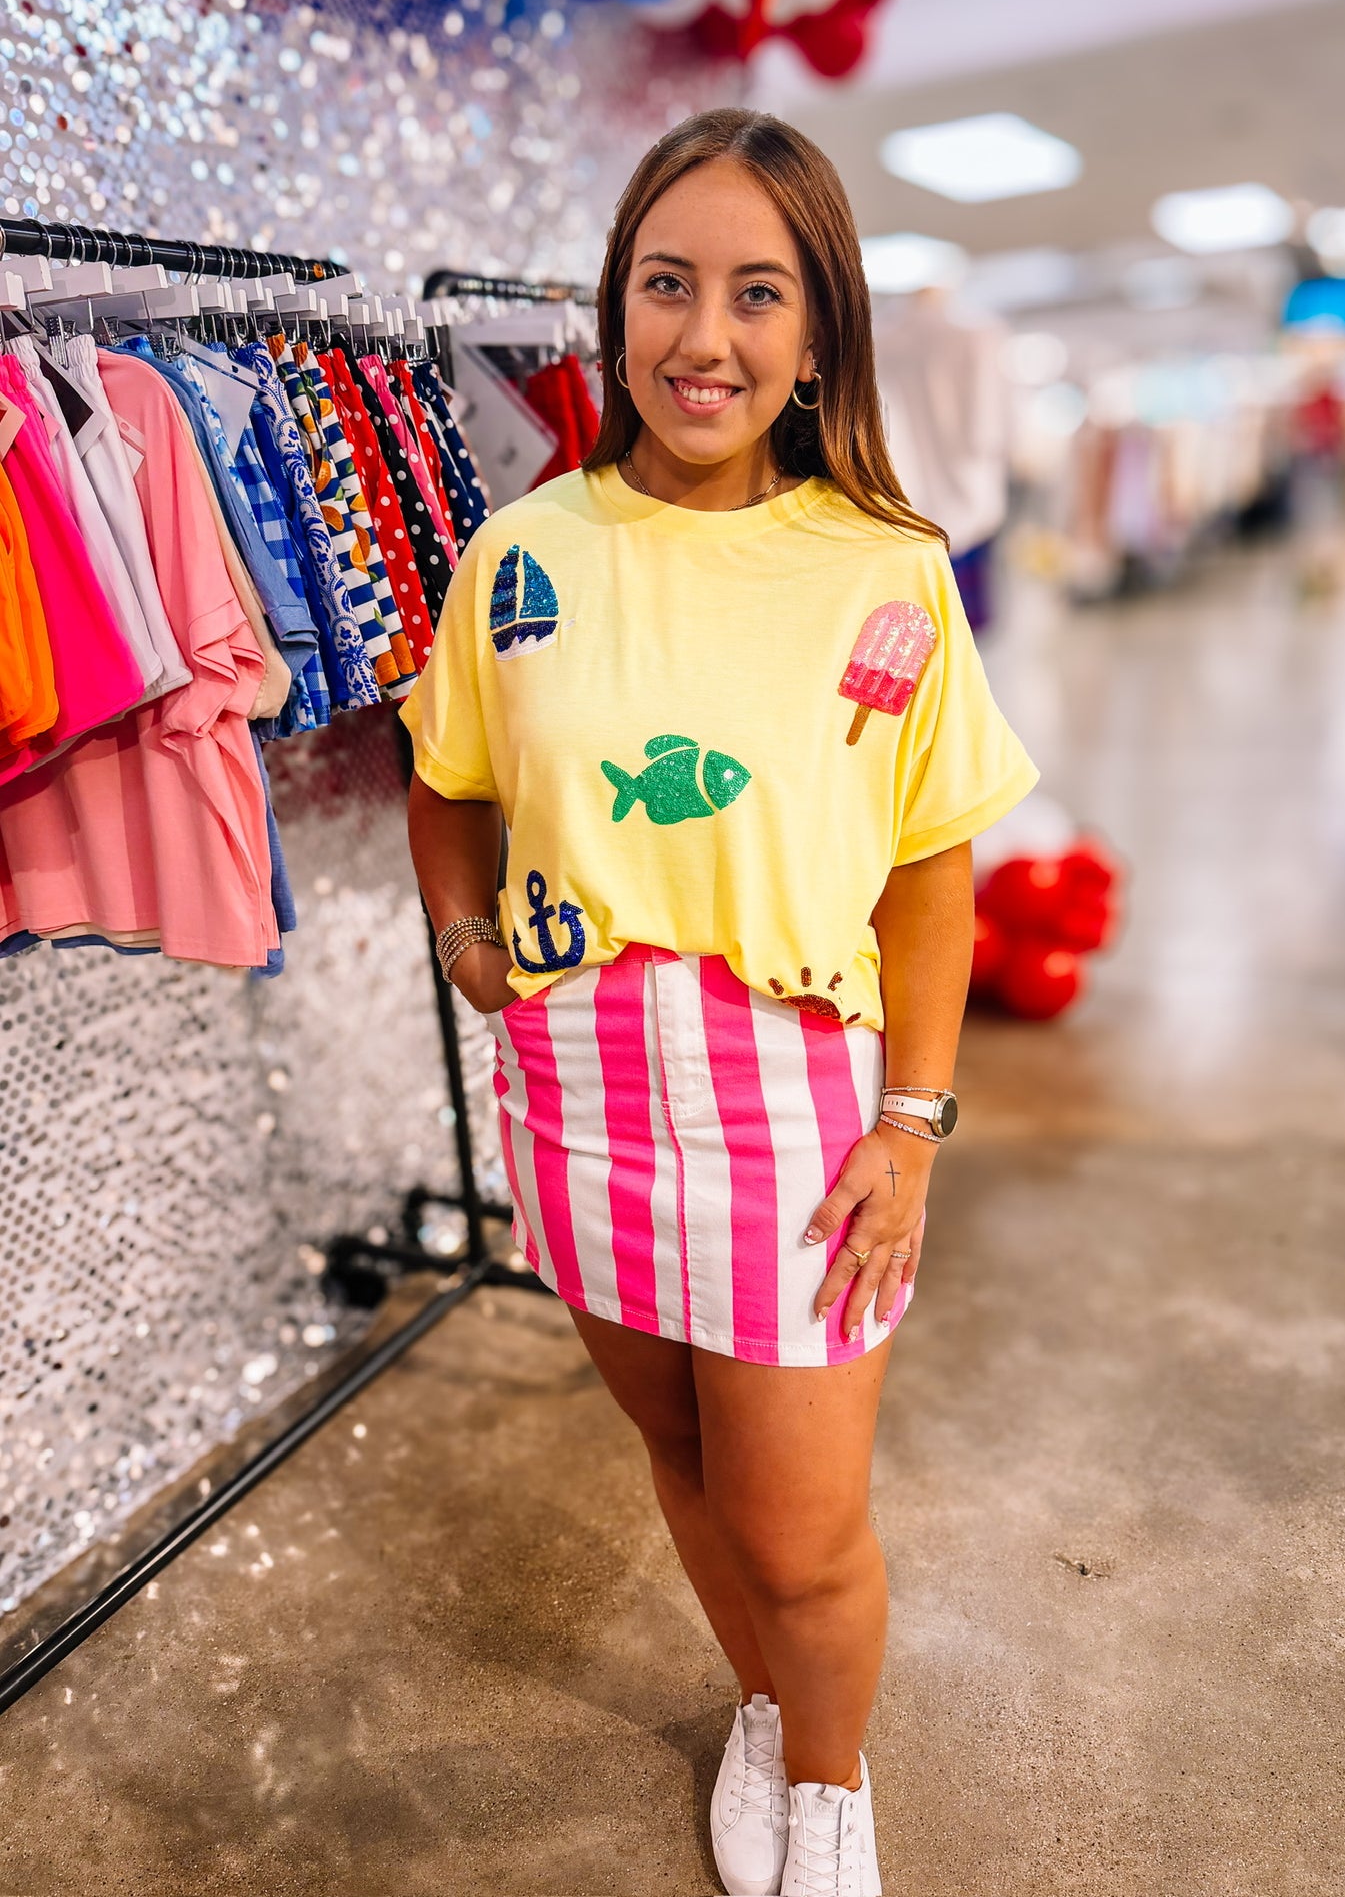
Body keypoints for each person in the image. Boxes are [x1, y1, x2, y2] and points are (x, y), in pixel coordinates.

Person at [403, 108, 1037, 1897]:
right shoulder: (522, 554)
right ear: (614, 316)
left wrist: (913, 1129)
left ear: (819, 332)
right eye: (666, 285)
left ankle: (826, 1783)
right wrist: (468, 950)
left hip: (796, 1105)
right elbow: (441, 769)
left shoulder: (886, 570)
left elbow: (930, 871)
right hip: (578, 1088)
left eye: (758, 293)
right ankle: (765, 1709)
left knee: (806, 1525)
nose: (706, 336)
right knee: (676, 1447)